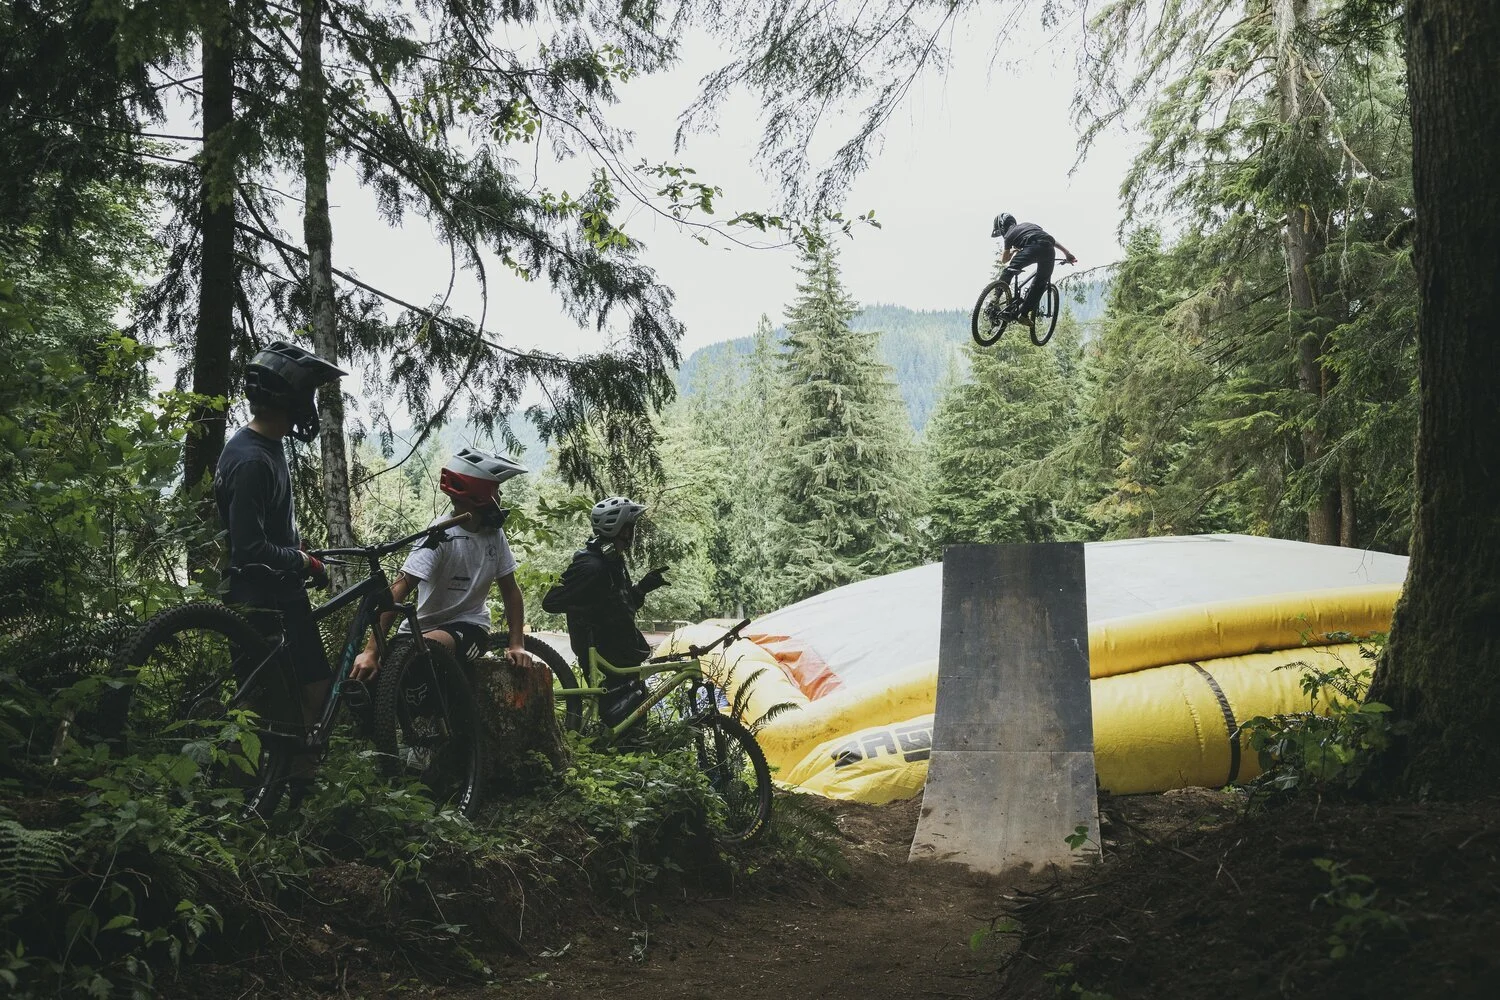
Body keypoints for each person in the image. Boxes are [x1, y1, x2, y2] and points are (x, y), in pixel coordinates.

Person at [214, 339, 345, 740]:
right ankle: (255, 779)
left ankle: (296, 774)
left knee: (305, 696)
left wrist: (299, 552)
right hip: (264, 598)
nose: (310, 406)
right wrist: (304, 562)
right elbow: (249, 548)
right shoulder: (253, 460)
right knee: (270, 706)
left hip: (279, 592)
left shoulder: (264, 446)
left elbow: (270, 527)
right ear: (290, 398)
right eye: (308, 394)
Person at [352, 447, 531, 681]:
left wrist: (516, 644)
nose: (500, 497)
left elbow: (510, 590)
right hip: (418, 631)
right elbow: (399, 588)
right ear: (480, 493)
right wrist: (371, 651)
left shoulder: (494, 535)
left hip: (469, 627)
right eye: (496, 490)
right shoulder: (440, 535)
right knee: (374, 677)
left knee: (415, 656)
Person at [540, 496, 669, 723]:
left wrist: (643, 588)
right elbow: (551, 602)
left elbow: (620, 606)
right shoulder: (592, 565)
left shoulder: (612, 562)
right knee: (619, 722)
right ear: (620, 530)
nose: (632, 534)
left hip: (623, 653)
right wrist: (589, 609)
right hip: (604, 655)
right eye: (630, 528)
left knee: (634, 721)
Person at [990, 212, 1078, 326]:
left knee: (1010, 270)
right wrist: (1067, 253)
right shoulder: (1030, 225)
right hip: (1049, 250)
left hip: (1032, 248)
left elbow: (1004, 260)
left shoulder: (1009, 235)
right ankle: (1024, 315)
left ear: (1002, 228)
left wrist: (1012, 252)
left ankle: (995, 297)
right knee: (1040, 282)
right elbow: (1051, 240)